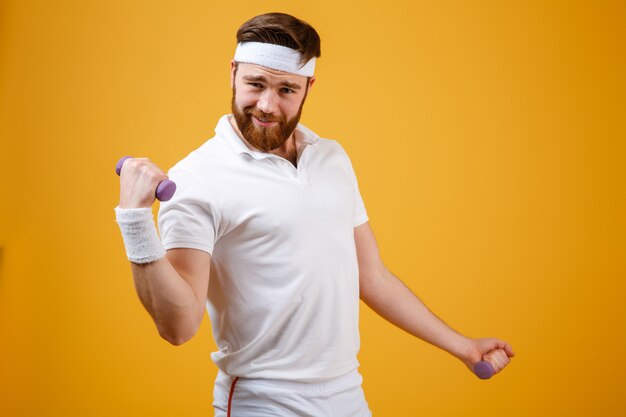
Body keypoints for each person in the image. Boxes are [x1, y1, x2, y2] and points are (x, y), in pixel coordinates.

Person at [114, 12, 515, 417]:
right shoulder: (198, 178)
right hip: (264, 403)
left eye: (286, 89)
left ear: (308, 88)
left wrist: (461, 346)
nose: (267, 106)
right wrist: (135, 220)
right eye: (255, 84)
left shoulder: (331, 158)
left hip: (347, 397)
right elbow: (178, 327)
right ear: (232, 73)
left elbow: (371, 276)